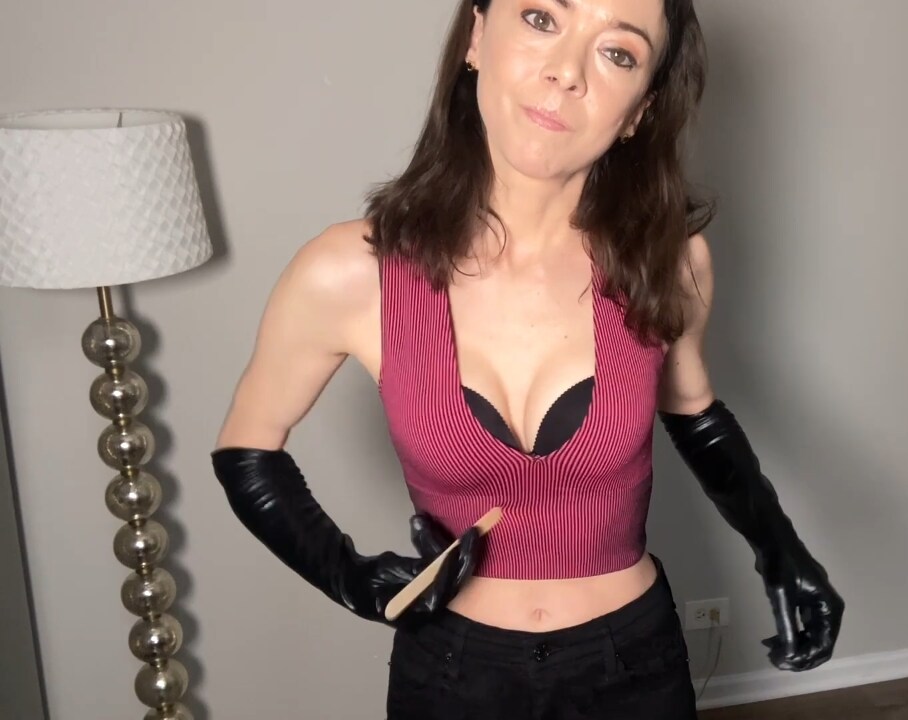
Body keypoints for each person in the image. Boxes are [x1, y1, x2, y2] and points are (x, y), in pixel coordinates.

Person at [210, 0, 844, 716]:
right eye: (542, 18)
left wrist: (780, 549)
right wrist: (349, 577)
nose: (567, 72)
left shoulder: (670, 265)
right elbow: (247, 448)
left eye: (618, 53)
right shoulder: (349, 272)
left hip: (633, 666)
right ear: (477, 36)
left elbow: (696, 416)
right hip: (449, 674)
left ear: (639, 111)